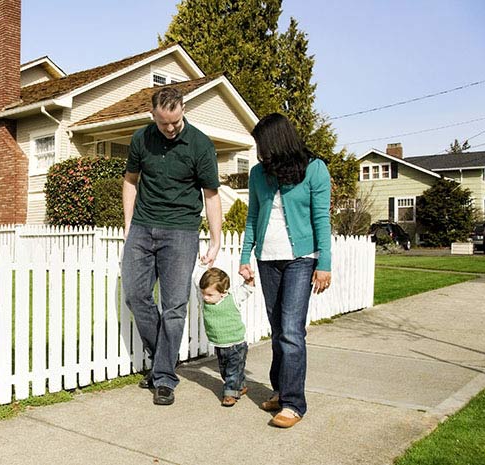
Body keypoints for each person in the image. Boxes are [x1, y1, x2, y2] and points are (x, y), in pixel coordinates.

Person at [122, 86, 222, 406]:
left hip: (181, 232)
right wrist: (128, 226)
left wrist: (216, 238)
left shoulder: (200, 144)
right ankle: (164, 358)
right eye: (164, 122)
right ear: (152, 115)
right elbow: (130, 180)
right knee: (136, 296)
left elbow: (211, 194)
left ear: (182, 111)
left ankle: (164, 376)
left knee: (174, 306)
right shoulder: (141, 139)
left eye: (176, 121)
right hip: (142, 227)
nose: (170, 128)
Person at [238, 113, 332, 428]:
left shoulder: (315, 170)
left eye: (261, 145)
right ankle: (280, 391)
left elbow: (322, 219)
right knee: (278, 330)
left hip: (301, 259)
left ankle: (294, 404)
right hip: (267, 259)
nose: (258, 152)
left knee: (292, 330)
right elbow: (252, 217)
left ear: (276, 142)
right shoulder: (257, 174)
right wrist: (244, 257)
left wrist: (325, 264)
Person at [192, 265, 253, 407]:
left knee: (232, 371)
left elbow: (247, 290)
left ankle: (230, 394)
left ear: (223, 293)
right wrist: (202, 265)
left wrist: (249, 280)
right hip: (219, 344)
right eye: (203, 294)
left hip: (236, 344)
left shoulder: (233, 298)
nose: (205, 297)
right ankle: (240, 385)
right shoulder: (204, 301)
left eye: (209, 295)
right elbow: (196, 281)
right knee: (226, 370)